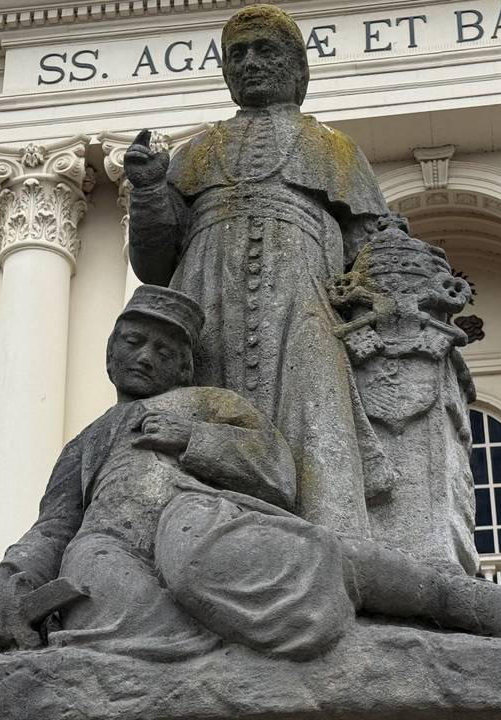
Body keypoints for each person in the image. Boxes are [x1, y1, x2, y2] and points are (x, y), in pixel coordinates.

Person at [0, 286, 501, 661]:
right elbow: (54, 525)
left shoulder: (208, 401)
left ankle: (442, 598)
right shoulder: (83, 442)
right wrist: (10, 582)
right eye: (133, 342)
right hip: (105, 546)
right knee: (110, 624)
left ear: (185, 364)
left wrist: (195, 439)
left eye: (164, 349)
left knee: (212, 562)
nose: (144, 357)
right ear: (111, 349)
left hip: (189, 512)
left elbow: (275, 471)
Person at [124, 4, 397, 539]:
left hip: (305, 301)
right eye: (237, 55)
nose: (249, 63)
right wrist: (152, 190)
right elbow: (154, 264)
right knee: (198, 419)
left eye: (265, 50)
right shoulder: (196, 151)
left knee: (317, 418)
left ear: (297, 68)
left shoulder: (334, 149)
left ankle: (337, 546)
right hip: (205, 303)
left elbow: (373, 249)